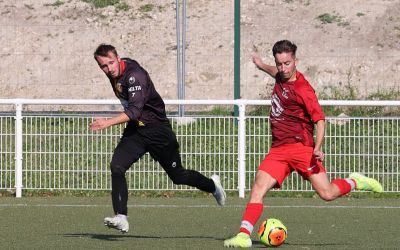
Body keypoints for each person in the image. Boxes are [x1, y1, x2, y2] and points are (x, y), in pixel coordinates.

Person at [223, 40, 383, 248]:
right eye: (280, 63)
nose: (283, 68)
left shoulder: (303, 89)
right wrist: (261, 65)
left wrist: (317, 148)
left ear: (295, 61)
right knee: (258, 188)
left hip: (302, 149)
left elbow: (320, 120)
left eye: (287, 63)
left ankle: (355, 181)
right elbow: (274, 72)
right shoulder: (280, 74)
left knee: (327, 194)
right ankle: (244, 235)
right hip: (279, 150)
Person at [90, 44, 226, 233]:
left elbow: (134, 110)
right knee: (117, 166)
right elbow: (134, 112)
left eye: (111, 63)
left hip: (158, 131)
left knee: (178, 176)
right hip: (137, 130)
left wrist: (107, 122)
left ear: (118, 58)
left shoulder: (134, 75)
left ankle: (212, 185)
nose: (108, 69)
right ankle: (121, 217)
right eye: (103, 66)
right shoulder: (114, 72)